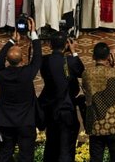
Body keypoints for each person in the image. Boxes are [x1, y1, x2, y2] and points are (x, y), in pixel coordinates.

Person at [0, 17, 42, 162]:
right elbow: (38, 58)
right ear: (22, 60)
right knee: (26, 157)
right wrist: (33, 33)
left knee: (5, 155)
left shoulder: (1, 74)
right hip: (26, 122)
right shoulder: (27, 74)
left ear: (8, 60)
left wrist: (11, 41)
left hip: (5, 122)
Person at [39, 32, 84, 162]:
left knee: (51, 146)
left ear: (50, 45)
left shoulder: (44, 61)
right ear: (66, 44)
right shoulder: (69, 61)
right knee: (66, 150)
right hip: (66, 110)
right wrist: (73, 52)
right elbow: (81, 72)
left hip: (50, 110)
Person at [82, 42, 115, 162]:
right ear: (108, 57)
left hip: (96, 126)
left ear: (93, 57)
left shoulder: (86, 74)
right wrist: (112, 65)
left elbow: (85, 88)